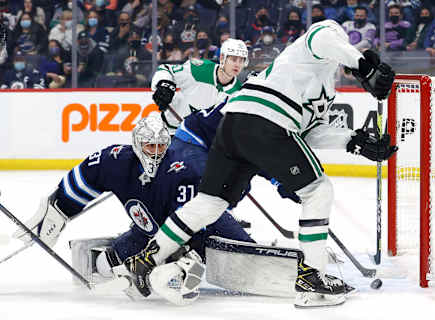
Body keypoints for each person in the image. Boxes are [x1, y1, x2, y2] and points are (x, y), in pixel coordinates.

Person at [125, 19, 397, 308]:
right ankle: (312, 279)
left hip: (233, 125)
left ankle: (147, 259)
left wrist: (354, 141)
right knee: (318, 191)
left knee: (209, 203)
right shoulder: (315, 44)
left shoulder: (326, 89)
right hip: (265, 123)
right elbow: (324, 37)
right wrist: (361, 63)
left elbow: (310, 132)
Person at [12, 112, 253, 304]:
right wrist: (58, 210)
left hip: (203, 227)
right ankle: (160, 263)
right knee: (103, 267)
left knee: (175, 276)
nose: (156, 153)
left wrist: (186, 258)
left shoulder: (184, 170)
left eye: (161, 147)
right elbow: (83, 177)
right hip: (147, 234)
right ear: (138, 144)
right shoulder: (115, 161)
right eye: (150, 147)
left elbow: (196, 222)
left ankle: (178, 264)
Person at [150, 38, 248, 135]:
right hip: (168, 131)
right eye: (234, 59)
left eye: (241, 60)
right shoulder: (199, 70)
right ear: (222, 58)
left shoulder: (237, 92)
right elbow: (166, 69)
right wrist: (164, 84)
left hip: (198, 141)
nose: (237, 65)